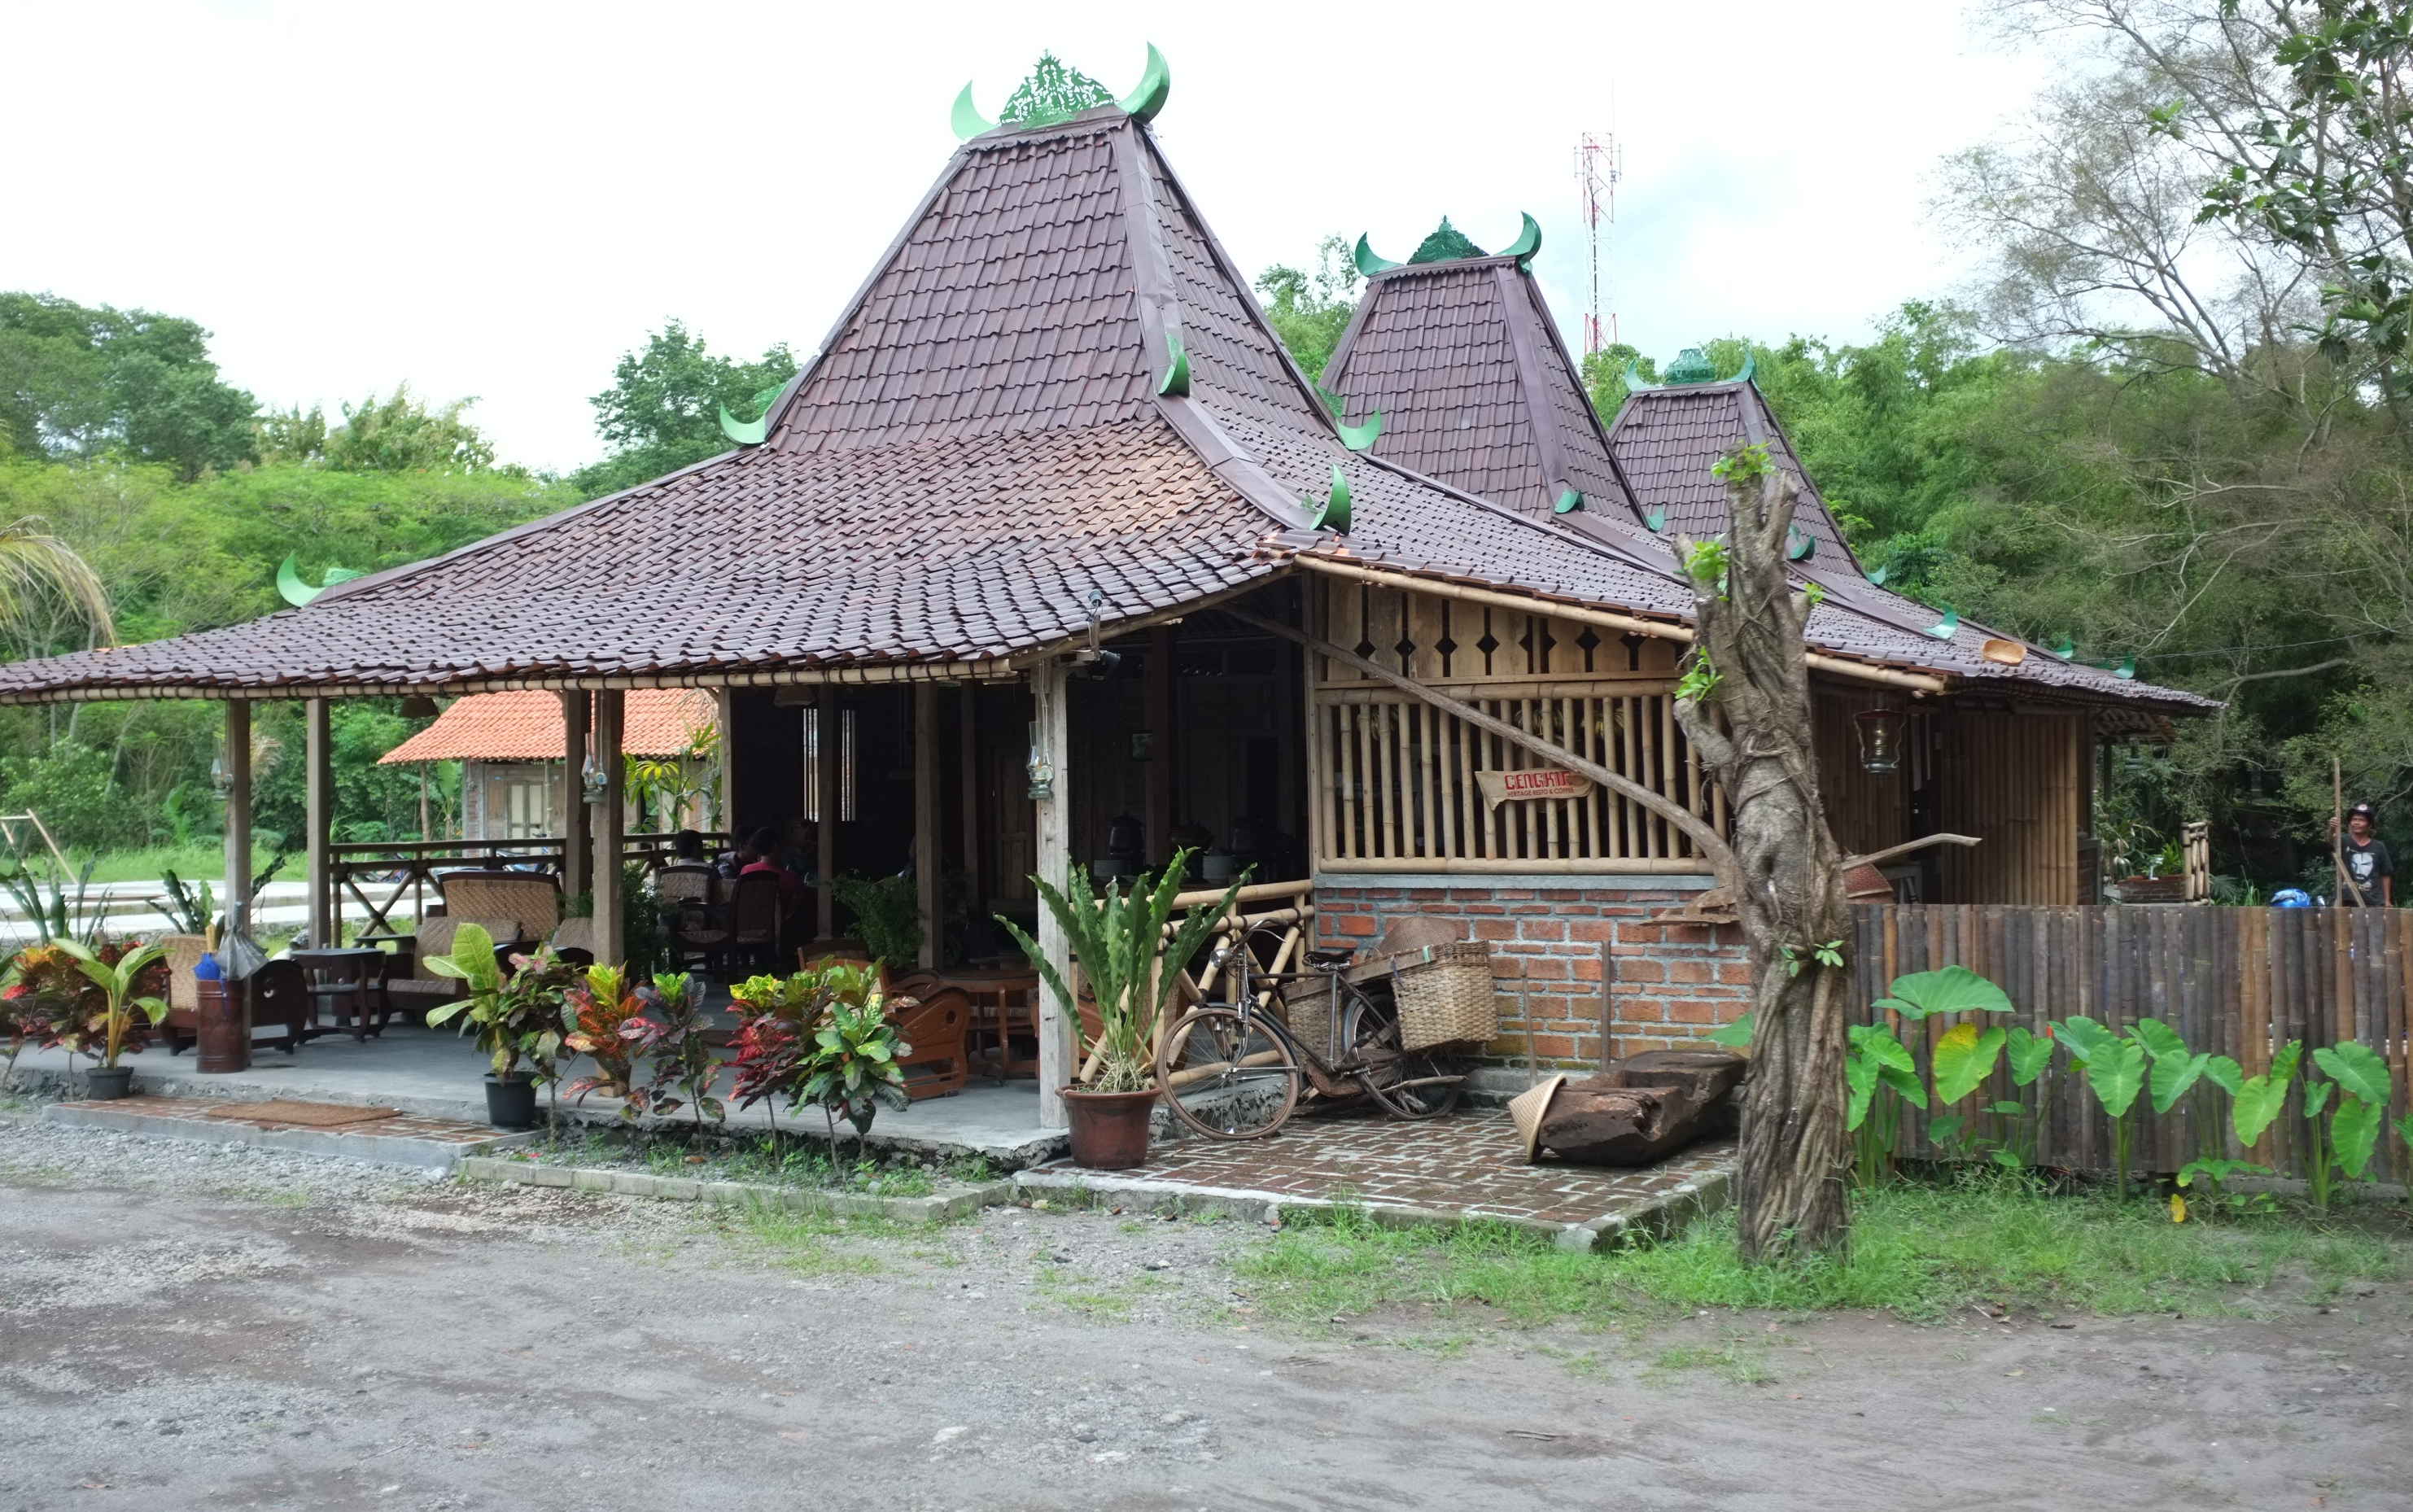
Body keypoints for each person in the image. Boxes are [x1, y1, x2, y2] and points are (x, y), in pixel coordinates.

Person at [2339, 802, 2393, 906]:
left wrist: (2387, 900)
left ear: (2369, 824)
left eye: (2361, 820)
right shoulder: (2343, 841)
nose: (2357, 823)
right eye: (2354, 819)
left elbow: (2386, 874)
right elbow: (2330, 843)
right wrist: (2332, 829)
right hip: (2348, 898)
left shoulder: (2379, 846)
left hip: (2374, 899)